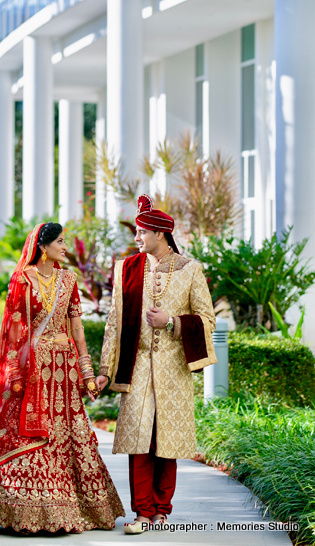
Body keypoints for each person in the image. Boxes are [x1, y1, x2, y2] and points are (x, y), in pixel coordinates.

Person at [0, 222, 125, 534]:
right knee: (29, 432)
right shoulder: (22, 279)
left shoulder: (69, 280)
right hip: (33, 370)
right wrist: (13, 369)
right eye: (60, 242)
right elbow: (14, 327)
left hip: (64, 369)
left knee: (69, 432)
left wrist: (87, 372)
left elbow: (77, 328)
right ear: (44, 246)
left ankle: (73, 507)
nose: (65, 247)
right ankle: (24, 511)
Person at [95, 194, 217, 534]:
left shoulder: (190, 270)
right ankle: (143, 514)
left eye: (141, 232)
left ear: (159, 234)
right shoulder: (127, 269)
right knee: (139, 443)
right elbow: (114, 323)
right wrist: (105, 369)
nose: (136, 238)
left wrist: (172, 322)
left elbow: (207, 319)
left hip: (174, 371)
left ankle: (162, 511)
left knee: (167, 443)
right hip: (136, 369)